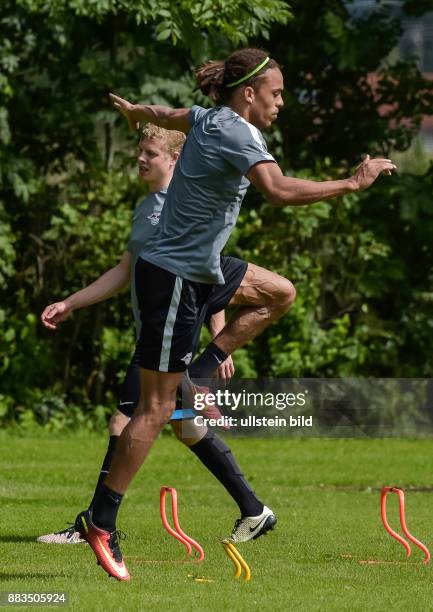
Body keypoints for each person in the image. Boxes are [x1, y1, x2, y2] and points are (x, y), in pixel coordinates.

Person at [81, 47, 396, 581]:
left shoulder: (209, 118)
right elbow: (276, 190)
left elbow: (176, 115)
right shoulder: (239, 133)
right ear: (249, 93)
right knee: (156, 413)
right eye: (275, 93)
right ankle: (101, 521)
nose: (280, 103)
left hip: (201, 271)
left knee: (279, 293)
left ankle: (200, 375)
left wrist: (141, 112)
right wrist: (351, 183)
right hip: (176, 276)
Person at [38, 123, 271, 547]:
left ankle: (94, 523)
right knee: (184, 426)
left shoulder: (181, 208)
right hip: (153, 335)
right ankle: (254, 510)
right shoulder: (147, 207)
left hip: (166, 336)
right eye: (140, 151)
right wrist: (71, 303)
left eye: (151, 153)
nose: (141, 159)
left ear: (175, 160)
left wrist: (216, 343)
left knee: (125, 419)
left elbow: (209, 273)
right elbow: (124, 272)